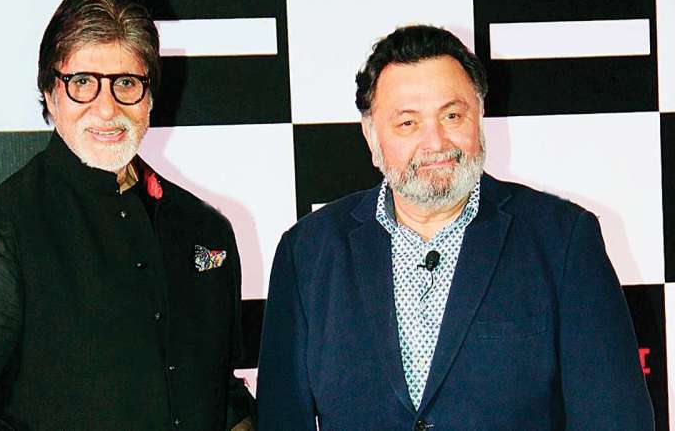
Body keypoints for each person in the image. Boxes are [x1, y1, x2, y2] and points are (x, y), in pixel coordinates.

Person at [0, 0, 254, 430]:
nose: (106, 108)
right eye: (83, 83)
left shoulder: (204, 229)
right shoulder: (5, 232)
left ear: (149, 97)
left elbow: (222, 395)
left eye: (126, 83)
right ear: (50, 92)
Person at [256, 24, 653, 430]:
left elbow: (616, 419)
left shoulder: (562, 241)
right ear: (372, 137)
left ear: (478, 118)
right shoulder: (308, 252)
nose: (436, 142)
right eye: (408, 123)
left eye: (452, 115)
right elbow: (281, 419)